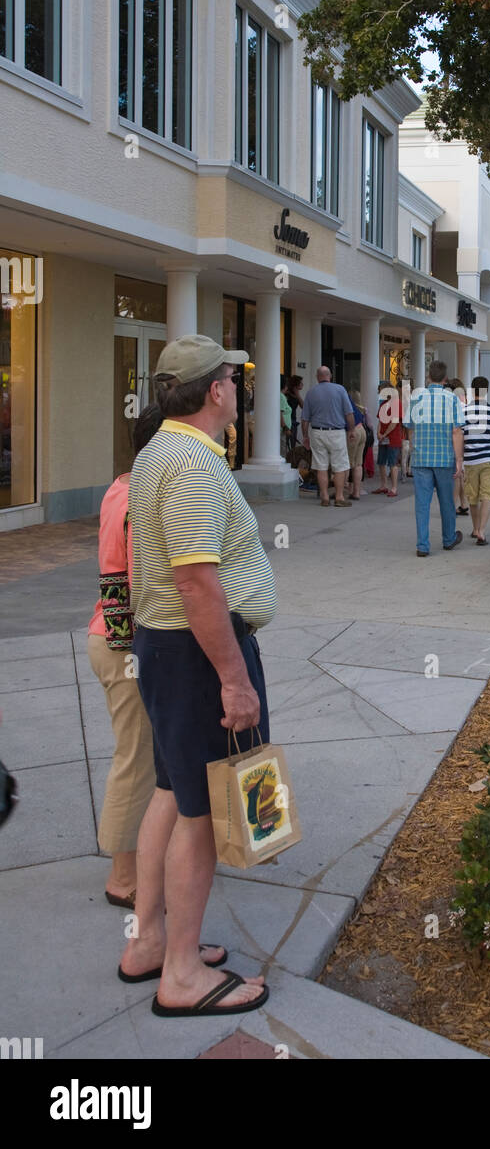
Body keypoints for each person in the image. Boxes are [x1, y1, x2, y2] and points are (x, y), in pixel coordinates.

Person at [119, 334, 276, 1016]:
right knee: (206, 814)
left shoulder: (163, 451)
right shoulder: (188, 463)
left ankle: (150, 940)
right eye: (234, 380)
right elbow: (196, 583)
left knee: (170, 792)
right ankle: (180, 976)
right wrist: (234, 679)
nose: (239, 390)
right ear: (215, 390)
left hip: (171, 651)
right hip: (196, 655)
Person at [88, 403, 163, 911]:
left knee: (142, 754)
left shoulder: (120, 486)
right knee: (136, 760)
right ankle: (122, 876)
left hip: (112, 634)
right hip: (124, 642)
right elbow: (137, 580)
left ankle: (146, 863)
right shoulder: (143, 497)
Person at [405, 360, 466, 556]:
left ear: (428, 377)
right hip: (444, 458)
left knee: (422, 504)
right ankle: (448, 538)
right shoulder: (452, 399)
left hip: (421, 459)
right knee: (447, 501)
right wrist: (459, 460)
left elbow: (409, 426)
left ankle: (422, 545)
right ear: (445, 379)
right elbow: (457, 431)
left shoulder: (416, 398)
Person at [301, 366, 355, 507]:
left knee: (321, 466)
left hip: (317, 432)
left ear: (317, 377)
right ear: (330, 376)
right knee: (339, 466)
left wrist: (305, 435)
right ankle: (339, 497)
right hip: (336, 432)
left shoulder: (311, 392)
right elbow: (349, 413)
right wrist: (352, 430)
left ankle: (324, 497)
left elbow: (305, 418)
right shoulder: (340, 390)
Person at [463, 376, 490, 546]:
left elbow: (460, 437)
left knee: (473, 497)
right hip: (488, 459)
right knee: (487, 495)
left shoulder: (463, 412)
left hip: (470, 460)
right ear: (486, 391)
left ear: (472, 391)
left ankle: (474, 528)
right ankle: (482, 530)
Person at [373, 382, 402, 497]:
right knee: (381, 462)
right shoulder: (383, 404)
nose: (380, 393)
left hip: (393, 438)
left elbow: (394, 422)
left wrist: (384, 434)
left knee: (393, 463)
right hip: (383, 438)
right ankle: (383, 485)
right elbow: (380, 420)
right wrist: (378, 433)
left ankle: (394, 487)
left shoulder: (396, 403)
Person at [449, 379, 470, 515]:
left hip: (457, 441)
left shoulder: (455, 405)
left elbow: (455, 429)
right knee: (460, 474)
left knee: (456, 474)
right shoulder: (465, 405)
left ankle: (453, 504)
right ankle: (463, 503)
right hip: (466, 441)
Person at [346, 389, 368, 499]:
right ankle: (356, 492)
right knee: (358, 464)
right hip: (362, 430)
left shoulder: (343, 400)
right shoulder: (358, 407)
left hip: (353, 431)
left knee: (347, 463)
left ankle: (340, 492)